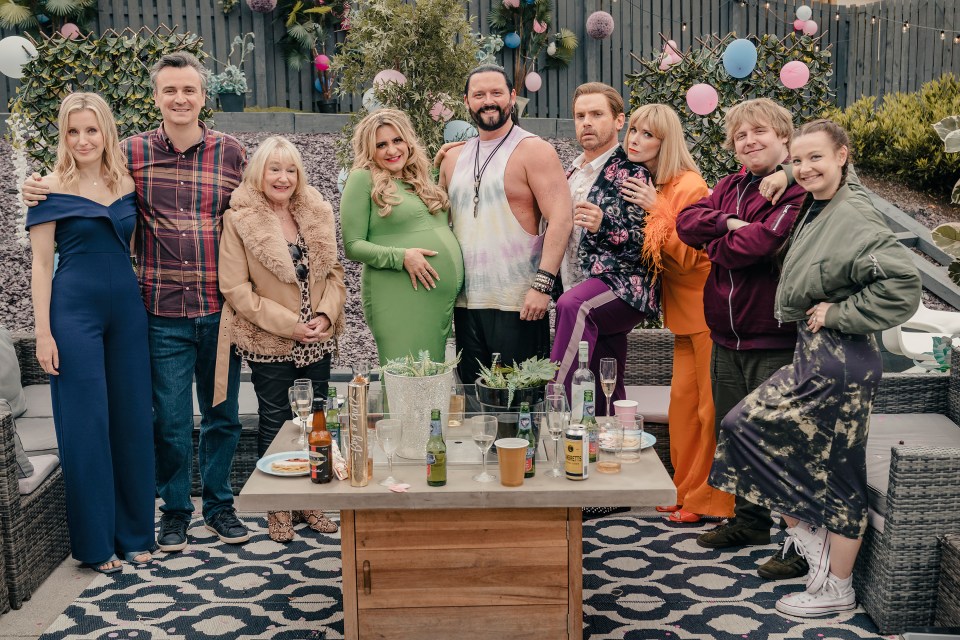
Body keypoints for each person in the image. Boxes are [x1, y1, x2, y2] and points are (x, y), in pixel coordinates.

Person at [24, 52, 249, 553]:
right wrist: (34, 186)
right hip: (160, 310)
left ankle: (219, 506)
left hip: (218, 308)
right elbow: (73, 188)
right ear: (156, 98)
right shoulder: (133, 155)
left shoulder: (232, 153)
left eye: (189, 89)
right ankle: (174, 513)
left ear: (203, 95)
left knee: (222, 416)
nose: (180, 98)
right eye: (169, 90)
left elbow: (258, 211)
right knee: (167, 422)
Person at [710, 119, 921, 616]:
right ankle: (811, 541)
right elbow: (800, 172)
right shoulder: (819, 199)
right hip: (814, 354)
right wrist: (787, 173)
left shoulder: (856, 215)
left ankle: (837, 588)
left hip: (842, 359)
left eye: (815, 159)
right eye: (798, 159)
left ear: (843, 155)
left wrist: (839, 312)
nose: (805, 168)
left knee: (839, 474)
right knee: (742, 426)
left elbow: (903, 285)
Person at [675, 98, 809, 580]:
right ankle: (750, 523)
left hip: (772, 337)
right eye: (740, 135)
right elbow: (686, 222)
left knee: (779, 441)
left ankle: (800, 544)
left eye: (760, 132)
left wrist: (723, 240)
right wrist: (729, 225)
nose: (749, 141)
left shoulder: (796, 193)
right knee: (736, 434)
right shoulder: (729, 186)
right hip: (724, 338)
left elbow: (759, 247)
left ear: (784, 140)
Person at [26, 92, 154, 574]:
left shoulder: (126, 180)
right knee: (86, 427)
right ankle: (97, 545)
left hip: (127, 311)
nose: (82, 140)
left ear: (106, 132)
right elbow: (40, 266)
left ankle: (137, 535)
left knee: (132, 421)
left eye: (91, 130)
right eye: (73, 131)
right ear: (64, 135)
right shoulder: (48, 188)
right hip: (73, 314)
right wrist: (43, 333)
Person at [216, 136, 345, 541]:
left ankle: (309, 500)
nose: (283, 177)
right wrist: (290, 325)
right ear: (259, 172)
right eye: (274, 168)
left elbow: (335, 274)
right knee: (276, 421)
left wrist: (326, 314)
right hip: (271, 339)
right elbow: (235, 289)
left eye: (290, 170)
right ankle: (279, 506)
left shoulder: (316, 212)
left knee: (315, 418)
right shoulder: (239, 220)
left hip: (318, 339)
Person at [618, 103, 734, 524]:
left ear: (666, 142)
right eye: (633, 130)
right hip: (683, 316)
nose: (634, 139)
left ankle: (713, 501)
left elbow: (687, 256)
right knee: (683, 408)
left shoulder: (689, 185)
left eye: (647, 134)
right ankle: (684, 493)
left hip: (708, 314)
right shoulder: (657, 184)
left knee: (708, 411)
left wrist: (656, 209)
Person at [438, 64, 572, 385]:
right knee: (474, 399)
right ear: (467, 101)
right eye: (479, 94)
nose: (488, 101)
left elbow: (561, 218)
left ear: (512, 96)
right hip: (465, 301)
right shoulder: (452, 158)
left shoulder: (534, 150)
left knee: (520, 402)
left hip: (518, 302)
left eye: (497, 93)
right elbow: (438, 223)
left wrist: (542, 286)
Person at [550, 86, 659, 414]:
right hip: (580, 284)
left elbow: (648, 245)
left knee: (574, 307)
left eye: (597, 114)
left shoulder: (631, 172)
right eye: (580, 115)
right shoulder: (571, 171)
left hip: (621, 288)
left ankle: (552, 400)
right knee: (605, 382)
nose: (587, 122)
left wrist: (605, 225)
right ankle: (609, 447)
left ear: (618, 121)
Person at [341, 109, 463, 365]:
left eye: (397, 141)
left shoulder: (418, 179)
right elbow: (352, 246)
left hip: (436, 302)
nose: (392, 150)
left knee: (431, 379)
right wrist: (402, 257)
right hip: (399, 295)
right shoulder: (362, 179)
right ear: (369, 150)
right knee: (405, 379)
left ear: (408, 141)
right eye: (381, 145)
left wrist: (442, 162)